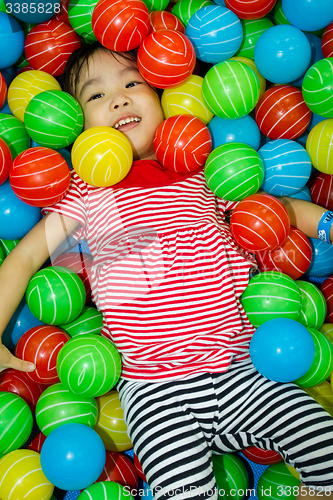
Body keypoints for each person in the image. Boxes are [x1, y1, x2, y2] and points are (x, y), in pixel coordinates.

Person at [0, 41, 332, 499]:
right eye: (95, 96)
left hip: (243, 368)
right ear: (76, 126)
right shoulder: (85, 193)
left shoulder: (202, 172)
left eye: (132, 83)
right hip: (157, 392)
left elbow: (273, 210)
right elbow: (24, 257)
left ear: (165, 96)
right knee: (182, 490)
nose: (118, 99)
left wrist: (327, 224)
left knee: (323, 444)